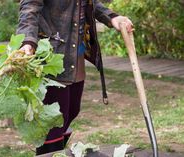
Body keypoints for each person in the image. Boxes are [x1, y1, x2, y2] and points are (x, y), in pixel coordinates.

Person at [17, 0, 133, 155]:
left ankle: (57, 152)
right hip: (51, 56)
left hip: (74, 56)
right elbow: (29, 8)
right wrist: (27, 41)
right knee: (53, 121)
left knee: (71, 110)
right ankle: (51, 153)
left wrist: (111, 17)